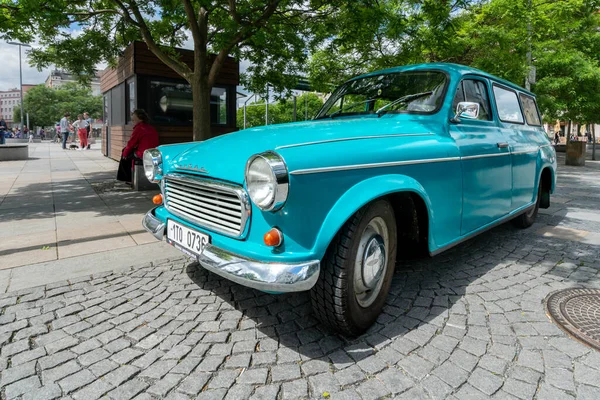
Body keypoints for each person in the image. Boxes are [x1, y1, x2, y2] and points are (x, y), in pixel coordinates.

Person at [117, 109, 159, 184]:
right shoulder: (150, 127)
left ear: (139, 119)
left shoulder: (139, 128)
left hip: (143, 154)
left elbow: (131, 143)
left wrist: (125, 154)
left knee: (125, 153)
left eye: (133, 120)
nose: (132, 121)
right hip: (153, 153)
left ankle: (128, 178)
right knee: (128, 152)